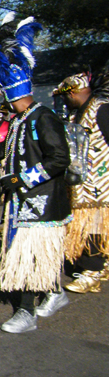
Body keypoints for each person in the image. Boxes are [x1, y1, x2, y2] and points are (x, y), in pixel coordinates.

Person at [0, 14, 71, 333]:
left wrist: (22, 179)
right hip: (22, 201)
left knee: (27, 253)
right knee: (31, 254)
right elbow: (7, 149)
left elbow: (58, 159)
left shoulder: (44, 118)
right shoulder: (21, 121)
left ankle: (26, 313)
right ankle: (55, 292)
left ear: (17, 93)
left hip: (42, 201)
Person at [54, 71, 109, 293]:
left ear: (74, 93)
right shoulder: (77, 115)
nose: (64, 101)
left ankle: (92, 273)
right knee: (89, 227)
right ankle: (100, 266)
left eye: (65, 96)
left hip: (99, 183)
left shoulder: (101, 109)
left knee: (93, 227)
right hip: (81, 184)